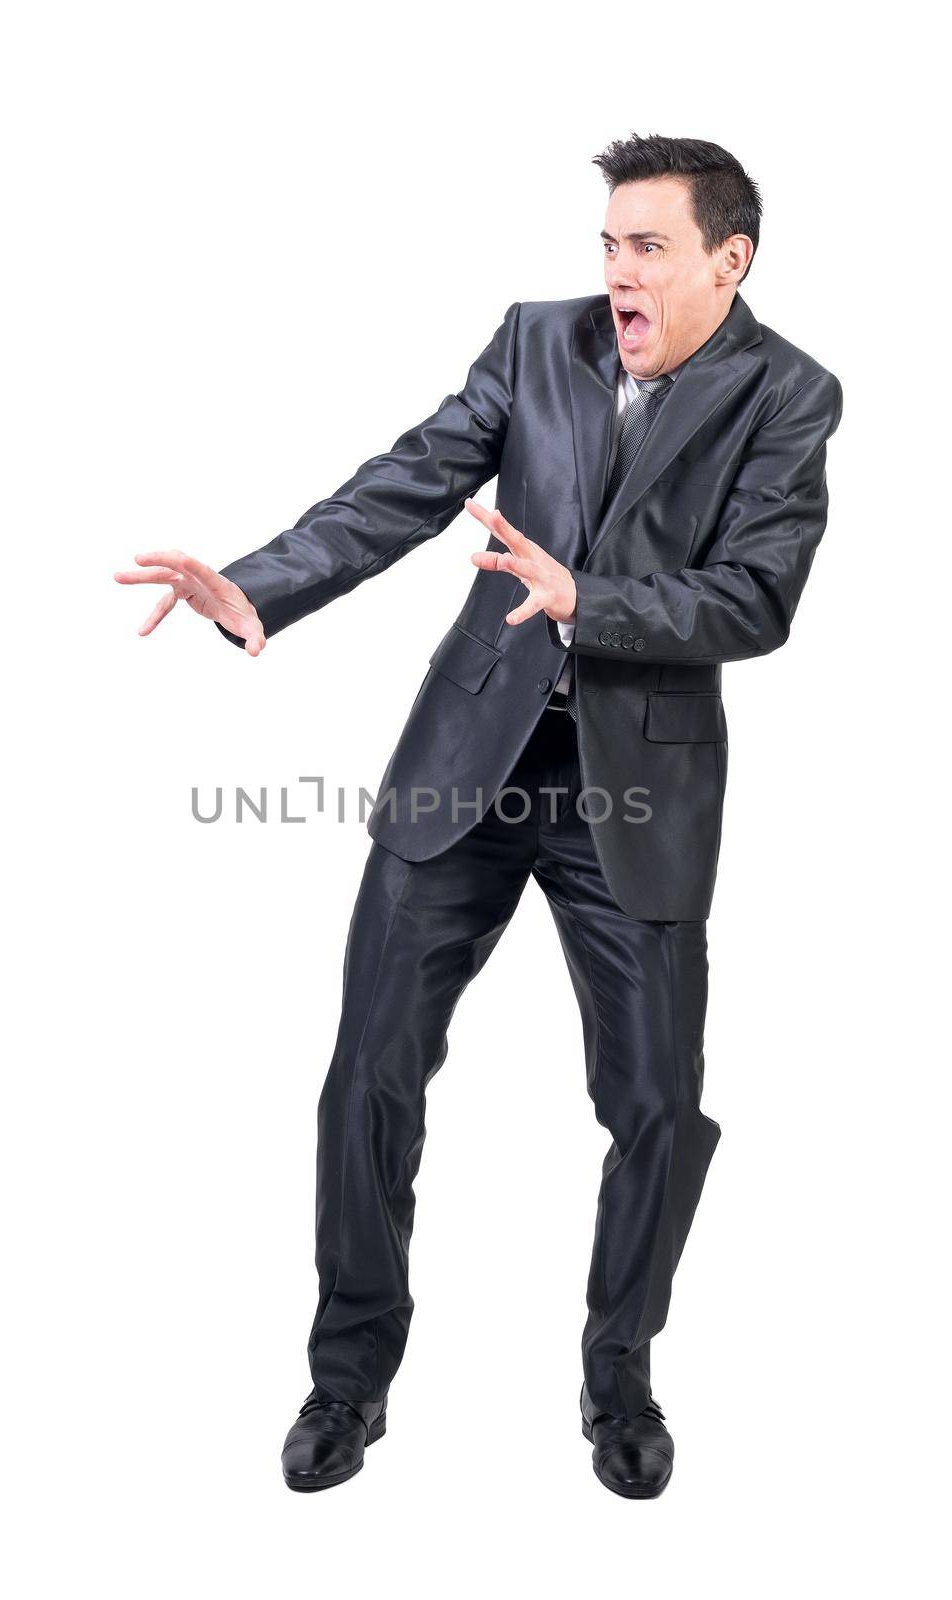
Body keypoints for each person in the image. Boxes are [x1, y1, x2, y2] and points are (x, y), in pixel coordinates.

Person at [115, 134, 843, 1499]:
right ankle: (348, 1378)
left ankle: (619, 1378)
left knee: (656, 1106)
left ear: (726, 262)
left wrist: (594, 599)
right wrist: (263, 587)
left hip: (636, 787)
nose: (619, 273)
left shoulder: (790, 395)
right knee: (370, 1074)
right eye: (609, 245)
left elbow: (758, 595)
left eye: (650, 249)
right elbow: (408, 479)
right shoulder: (536, 344)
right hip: (469, 756)